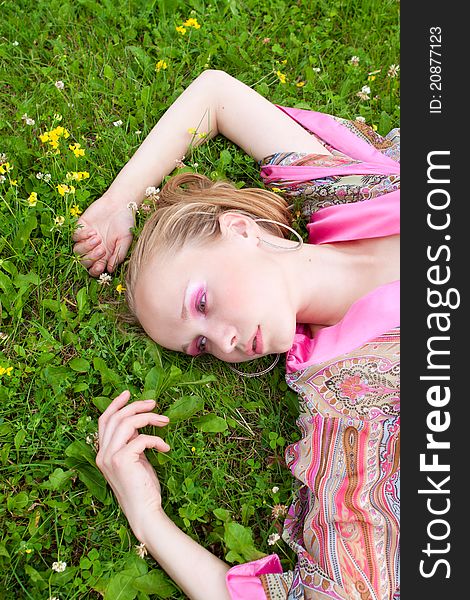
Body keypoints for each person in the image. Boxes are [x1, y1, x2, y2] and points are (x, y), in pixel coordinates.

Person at [73, 70, 400, 599]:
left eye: (201, 302)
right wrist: (148, 519)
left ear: (241, 230)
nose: (222, 343)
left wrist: (121, 201)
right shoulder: (350, 405)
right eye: (199, 344)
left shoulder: (346, 187)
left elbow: (216, 95)